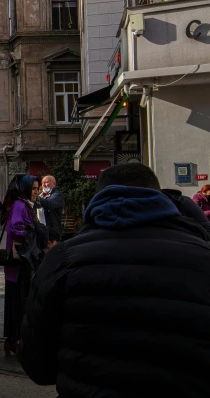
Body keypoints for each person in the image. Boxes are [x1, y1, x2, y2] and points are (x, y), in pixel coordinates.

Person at [19, 163, 210, 397]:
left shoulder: (64, 258)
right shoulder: (203, 255)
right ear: (160, 196)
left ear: (98, 197)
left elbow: (38, 366)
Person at [1, 174, 41, 356]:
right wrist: (33, 230)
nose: (37, 191)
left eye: (37, 188)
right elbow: (15, 228)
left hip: (22, 264)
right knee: (17, 303)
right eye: (33, 188)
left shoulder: (27, 205)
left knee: (18, 302)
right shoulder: (20, 205)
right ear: (25, 189)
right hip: (18, 265)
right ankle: (14, 339)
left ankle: (14, 338)